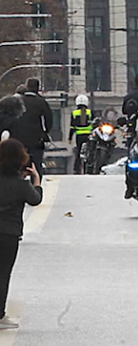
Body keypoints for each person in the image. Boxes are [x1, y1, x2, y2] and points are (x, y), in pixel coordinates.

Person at [0, 138, 42, 330]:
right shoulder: (21, 185)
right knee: (3, 274)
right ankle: (0, 314)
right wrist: (36, 180)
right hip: (8, 234)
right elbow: (35, 199)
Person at [14, 81, 51, 178]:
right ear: (37, 88)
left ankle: (19, 184)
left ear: (27, 87)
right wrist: (45, 132)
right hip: (36, 140)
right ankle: (36, 186)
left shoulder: (19, 101)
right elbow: (49, 119)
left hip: (20, 139)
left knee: (18, 165)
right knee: (37, 165)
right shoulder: (41, 102)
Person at [68, 95, 93, 175]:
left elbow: (72, 126)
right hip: (89, 136)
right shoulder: (90, 112)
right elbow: (95, 123)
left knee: (78, 151)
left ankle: (76, 169)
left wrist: (70, 137)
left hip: (79, 136)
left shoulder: (74, 113)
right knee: (90, 151)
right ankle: (91, 166)